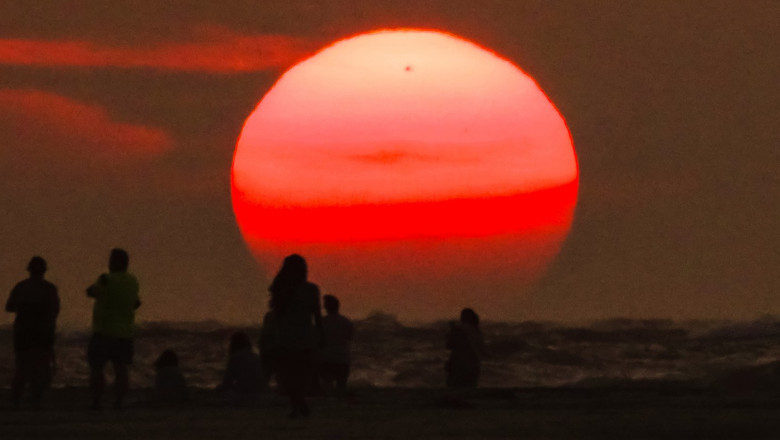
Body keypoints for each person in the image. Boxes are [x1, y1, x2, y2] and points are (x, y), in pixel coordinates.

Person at [269, 254, 323, 418]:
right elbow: (317, 315)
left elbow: (277, 317)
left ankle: (297, 404)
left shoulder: (281, 289)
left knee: (290, 375)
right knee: (301, 374)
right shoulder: (311, 289)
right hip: (304, 336)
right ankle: (299, 403)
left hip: (285, 336)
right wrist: (321, 334)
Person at [86, 248, 141, 410]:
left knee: (97, 368)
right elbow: (136, 303)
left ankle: (97, 401)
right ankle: (119, 401)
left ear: (114, 262)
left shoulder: (105, 279)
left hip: (104, 331)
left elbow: (91, 292)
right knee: (121, 369)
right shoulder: (133, 281)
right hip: (125, 332)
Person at [5, 256, 60, 409]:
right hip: (43, 332)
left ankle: (16, 400)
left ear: (29, 270)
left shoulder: (21, 287)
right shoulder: (49, 289)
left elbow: (9, 307)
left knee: (22, 366)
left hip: (23, 332)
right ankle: (35, 399)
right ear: (44, 271)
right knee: (41, 368)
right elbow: (55, 311)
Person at [317, 295, 354, 392]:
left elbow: (317, 340)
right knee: (341, 385)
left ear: (325, 307)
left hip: (326, 358)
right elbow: (349, 337)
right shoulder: (346, 321)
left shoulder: (322, 322)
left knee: (327, 384)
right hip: (343, 358)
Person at [445, 308, 487, 388]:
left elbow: (449, 345)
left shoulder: (461, 330)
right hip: (474, 365)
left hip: (459, 366)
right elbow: (483, 349)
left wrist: (452, 330)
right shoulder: (477, 331)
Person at [217, 332, 264, 402]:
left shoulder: (235, 358)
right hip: (259, 392)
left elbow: (227, 381)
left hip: (244, 392)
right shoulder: (256, 357)